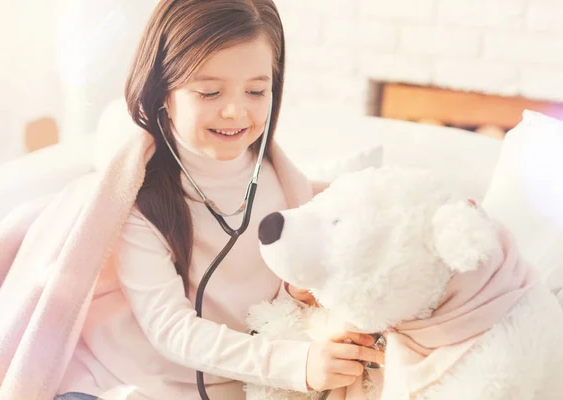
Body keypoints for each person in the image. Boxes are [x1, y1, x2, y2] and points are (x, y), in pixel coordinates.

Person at [55, 1, 384, 399]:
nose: (235, 110)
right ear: (163, 92)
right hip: (129, 379)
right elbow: (172, 329)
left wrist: (298, 297)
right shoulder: (142, 201)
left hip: (242, 381)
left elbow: (269, 305)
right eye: (209, 92)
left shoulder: (285, 186)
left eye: (256, 90)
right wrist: (295, 365)